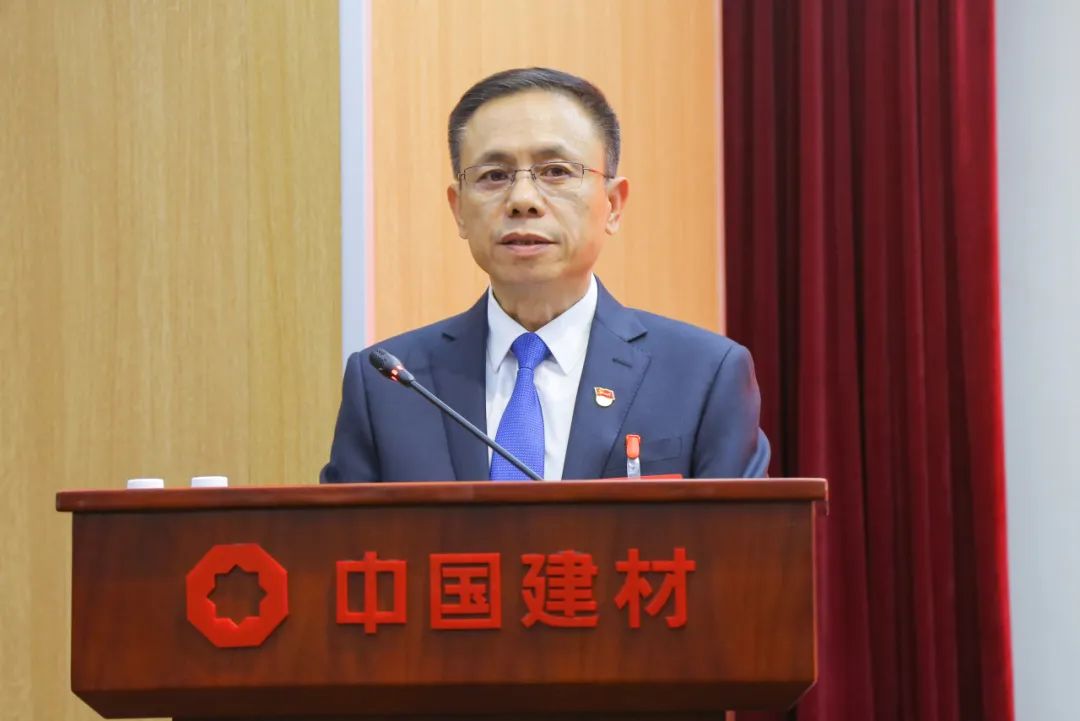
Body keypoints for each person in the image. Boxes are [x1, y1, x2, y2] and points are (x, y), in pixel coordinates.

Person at [321, 67, 769, 483]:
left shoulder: (702, 376)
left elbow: (742, 541)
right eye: (494, 175)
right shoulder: (389, 385)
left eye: (556, 172)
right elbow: (342, 542)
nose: (522, 200)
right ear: (458, 210)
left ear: (613, 205)